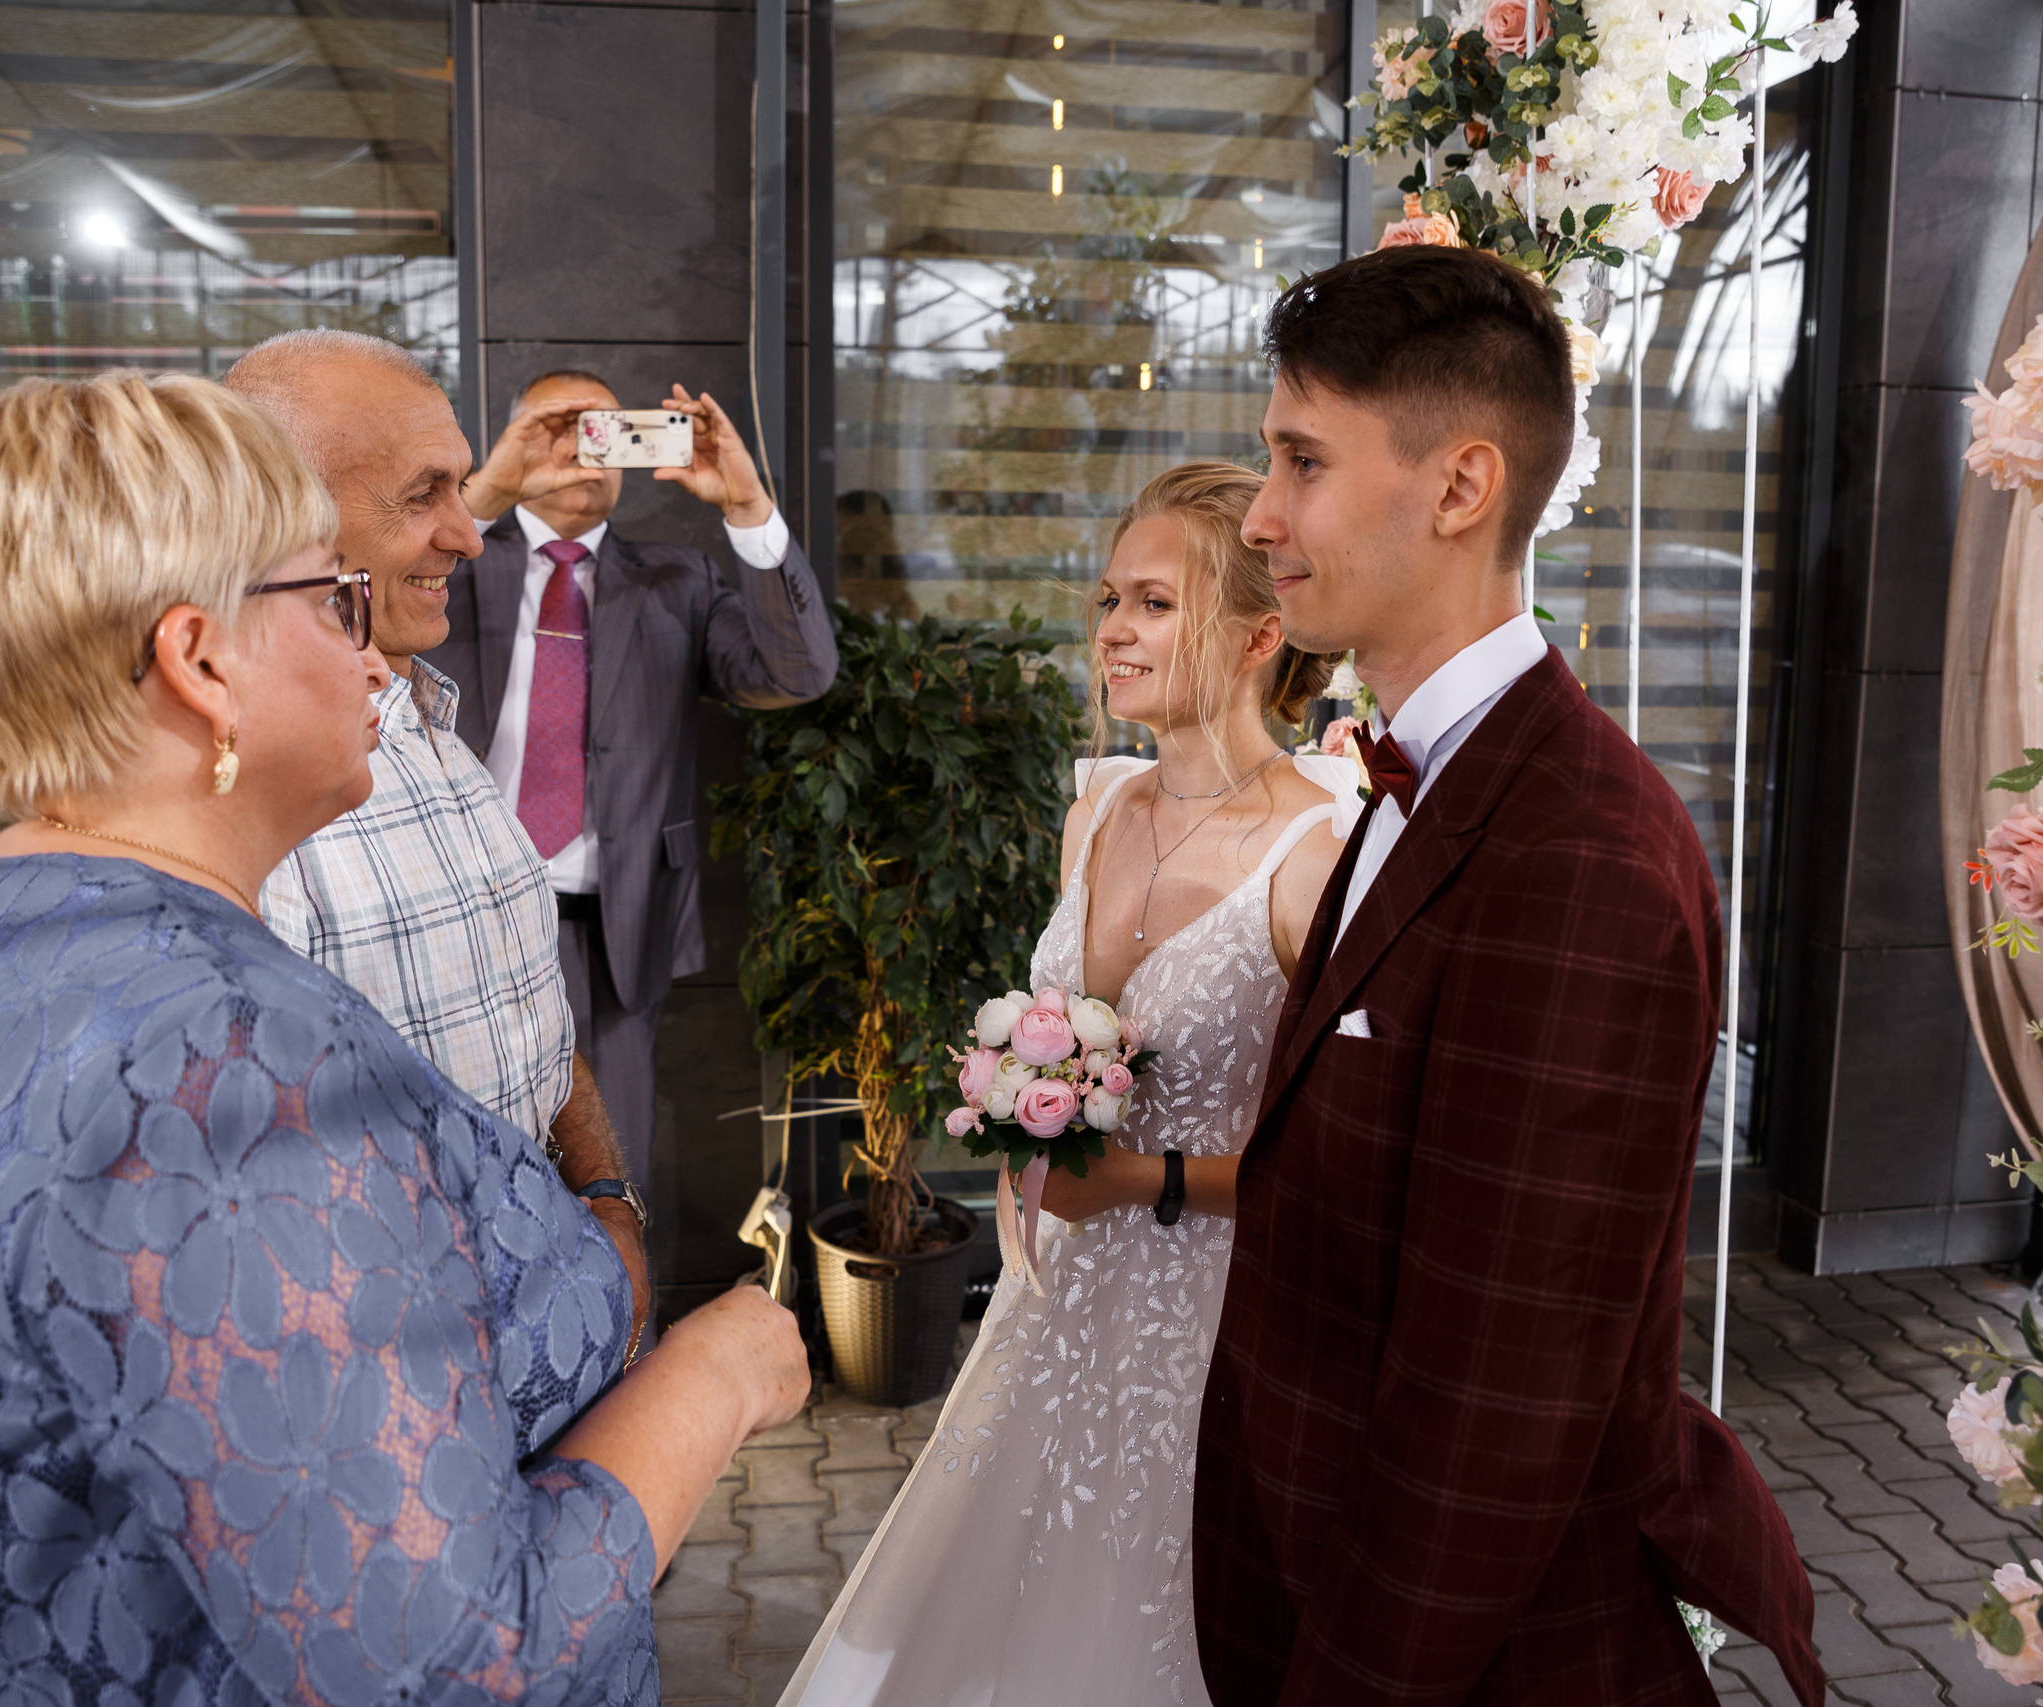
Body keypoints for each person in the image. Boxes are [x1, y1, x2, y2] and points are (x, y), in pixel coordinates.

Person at [0, 371, 808, 1707]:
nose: (376, 649)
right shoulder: (220, 1058)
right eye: (334, 598)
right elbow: (472, 1660)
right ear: (199, 661)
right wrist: (719, 1369)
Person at [1190, 246, 1823, 1705]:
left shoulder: (1577, 857)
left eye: (1300, 461)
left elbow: (1492, 1415)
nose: (1264, 518)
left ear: (1461, 486)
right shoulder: (1437, 773)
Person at [780, 463, 1354, 1706]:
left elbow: (1343, 1170)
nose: (1110, 629)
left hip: (1212, 1335)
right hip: (1055, 1306)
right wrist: (1019, 1108)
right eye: (1107, 597)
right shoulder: (1093, 811)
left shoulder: (1322, 857)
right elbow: (1067, 1032)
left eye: (1153, 602)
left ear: (1262, 636)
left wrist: (1129, 1182)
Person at [217, 332, 652, 1338]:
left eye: (465, 489)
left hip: (546, 1313)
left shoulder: (425, 714)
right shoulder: (241, 798)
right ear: (285, 514)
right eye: (425, 497)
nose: (468, 534)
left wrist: (605, 1202)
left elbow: (523, 1012)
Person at [426, 368, 838, 1226]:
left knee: (614, 1175)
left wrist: (748, 506)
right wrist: (488, 490)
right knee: (457, 1159)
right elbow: (346, 595)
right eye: (564, 427)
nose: (588, 448)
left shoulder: (674, 580)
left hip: (618, 928)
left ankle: (624, 1354)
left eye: (612, 430)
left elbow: (797, 673)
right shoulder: (445, 566)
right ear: (515, 440)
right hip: (464, 919)